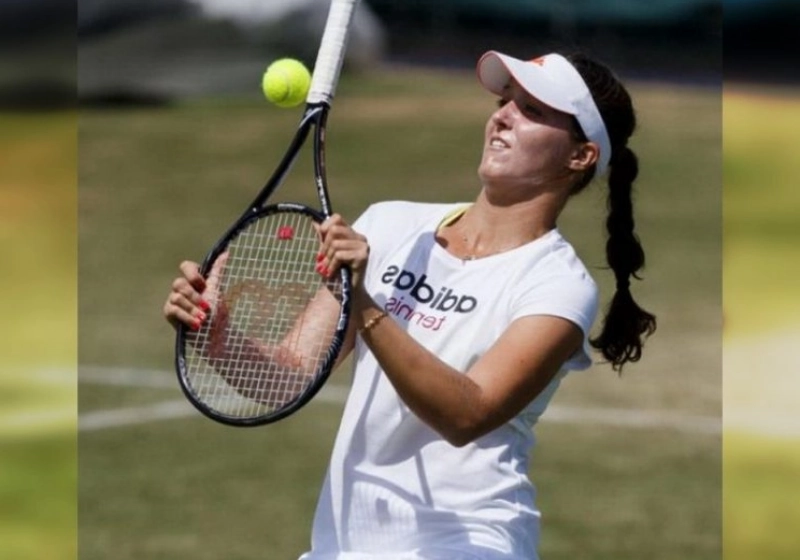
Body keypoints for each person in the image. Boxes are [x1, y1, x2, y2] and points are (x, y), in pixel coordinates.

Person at [164, 49, 657, 559]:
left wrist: (366, 305)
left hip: (467, 544)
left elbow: (467, 414)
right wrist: (217, 336)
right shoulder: (388, 224)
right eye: (505, 102)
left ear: (581, 156)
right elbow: (289, 375)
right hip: (341, 546)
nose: (503, 116)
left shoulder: (558, 285)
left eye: (532, 111)